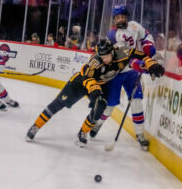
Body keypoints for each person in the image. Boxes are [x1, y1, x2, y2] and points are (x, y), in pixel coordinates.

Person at [26, 39, 164, 147]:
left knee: (100, 108)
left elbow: (142, 55)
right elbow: (87, 78)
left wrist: (152, 64)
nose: (104, 59)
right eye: (101, 57)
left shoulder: (123, 53)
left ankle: (83, 132)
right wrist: (95, 92)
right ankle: (36, 126)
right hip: (81, 83)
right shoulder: (95, 62)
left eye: (106, 56)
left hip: (101, 85)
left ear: (112, 52)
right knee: (58, 103)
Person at [90, 5, 157, 150]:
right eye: (117, 18)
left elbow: (146, 36)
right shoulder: (113, 35)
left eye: (122, 17)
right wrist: (138, 63)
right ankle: (97, 125)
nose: (120, 20)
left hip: (131, 73)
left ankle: (140, 135)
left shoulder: (134, 26)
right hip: (116, 73)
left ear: (126, 17)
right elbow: (121, 57)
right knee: (111, 105)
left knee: (137, 101)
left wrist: (148, 46)